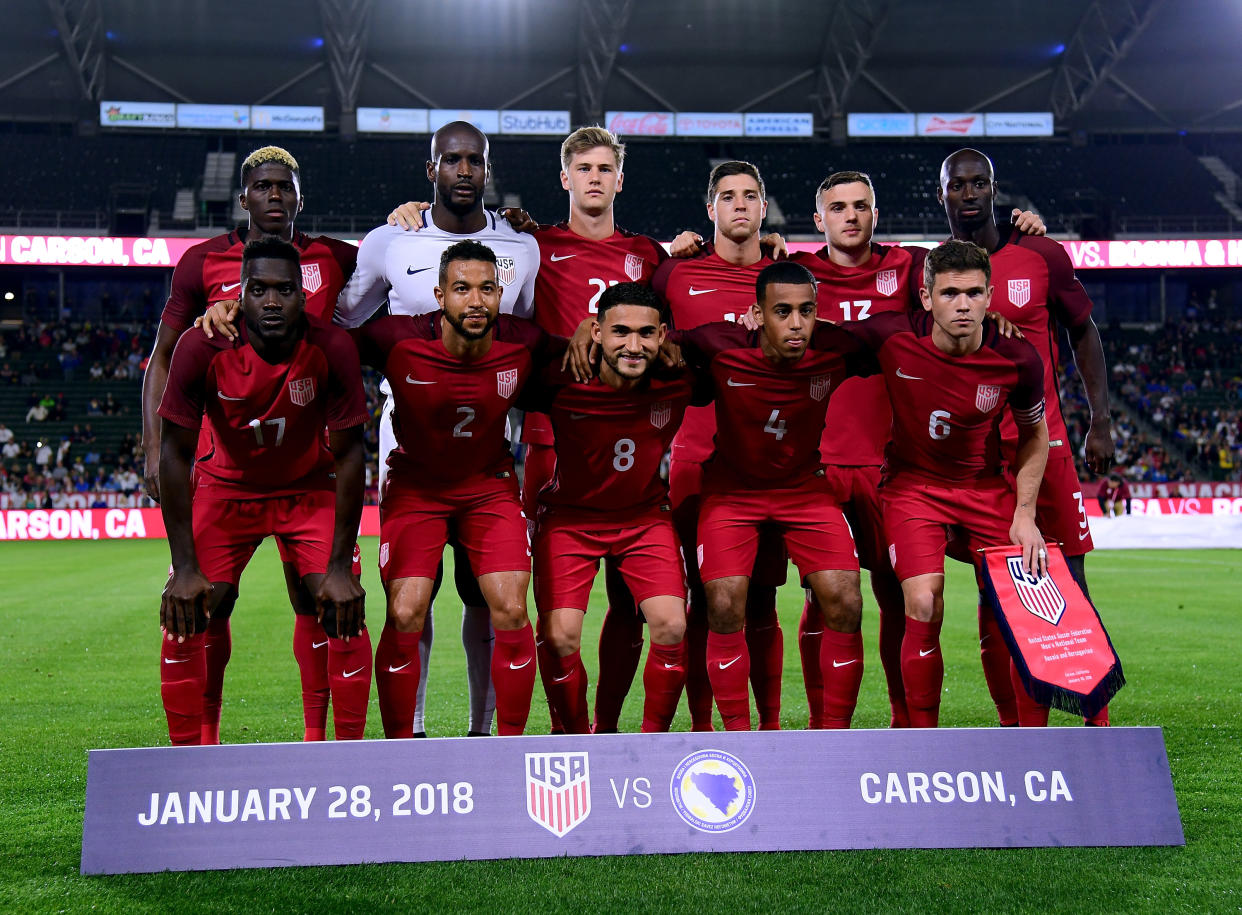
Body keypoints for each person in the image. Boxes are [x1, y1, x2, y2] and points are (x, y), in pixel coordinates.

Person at [141, 145, 359, 744]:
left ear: (298, 197)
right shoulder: (200, 262)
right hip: (224, 464)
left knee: (320, 601)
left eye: (285, 188)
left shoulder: (338, 258)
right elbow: (163, 356)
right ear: (244, 197)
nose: (274, 197)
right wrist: (153, 442)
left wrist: (416, 218)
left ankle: (329, 749)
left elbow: (414, 283)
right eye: (262, 187)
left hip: (305, 467)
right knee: (201, 606)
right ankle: (197, 754)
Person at [337, 121, 540, 737]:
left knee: (491, 599)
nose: (462, 170)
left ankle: (489, 735)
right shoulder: (390, 240)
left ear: (486, 167)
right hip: (410, 448)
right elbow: (343, 319)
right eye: (449, 160)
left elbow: (527, 342)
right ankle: (413, 730)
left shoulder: (521, 245)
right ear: (431, 169)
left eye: (473, 160)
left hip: (488, 453)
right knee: (410, 602)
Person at [932, 148, 1113, 726]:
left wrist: (1101, 420)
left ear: (993, 188)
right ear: (942, 195)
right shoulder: (934, 270)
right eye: (957, 185)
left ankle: (1096, 723)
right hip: (982, 460)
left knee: (1072, 587)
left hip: (1048, 445)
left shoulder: (1040, 253)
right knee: (995, 600)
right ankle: (1017, 730)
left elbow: (1083, 330)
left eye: (978, 182)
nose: (969, 193)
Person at [846, 239, 1050, 728]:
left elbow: (1035, 435)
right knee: (922, 600)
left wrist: (1024, 513)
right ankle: (923, 735)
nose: (963, 305)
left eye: (975, 293)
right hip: (912, 488)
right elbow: (812, 336)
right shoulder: (891, 335)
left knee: (1019, 601)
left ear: (990, 295)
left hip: (983, 488)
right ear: (925, 297)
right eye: (950, 293)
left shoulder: (1017, 358)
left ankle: (1023, 734)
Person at [671, 261, 876, 731]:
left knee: (846, 597)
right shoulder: (720, 346)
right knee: (723, 603)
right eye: (782, 311)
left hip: (804, 490)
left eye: (807, 311)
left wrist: (994, 328)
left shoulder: (835, 349)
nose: (797, 323)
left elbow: (902, 331)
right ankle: (742, 738)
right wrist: (588, 330)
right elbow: (656, 345)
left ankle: (834, 735)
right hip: (731, 493)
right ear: (756, 313)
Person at [526, 283, 702, 733]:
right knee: (560, 635)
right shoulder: (558, 379)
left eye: (646, 334)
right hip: (569, 520)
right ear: (596, 332)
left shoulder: (681, 380)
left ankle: (647, 741)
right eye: (620, 331)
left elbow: (734, 345)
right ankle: (574, 737)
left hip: (643, 518)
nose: (633, 345)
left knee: (671, 625)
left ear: (663, 336)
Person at [650, 160, 788, 731]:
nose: (739, 205)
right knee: (702, 604)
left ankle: (771, 729)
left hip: (768, 467)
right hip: (694, 460)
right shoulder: (677, 276)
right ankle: (705, 730)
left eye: (749, 196)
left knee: (760, 602)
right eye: (727, 196)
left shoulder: (787, 278)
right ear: (710, 211)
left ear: (763, 208)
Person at [788, 171, 916, 728]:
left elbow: (974, 265)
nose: (851, 216)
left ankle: (904, 718)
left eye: (861, 206)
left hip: (889, 467)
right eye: (837, 207)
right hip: (817, 466)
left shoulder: (909, 268)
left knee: (898, 599)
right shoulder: (796, 275)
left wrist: (1017, 227)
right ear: (819, 221)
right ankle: (823, 723)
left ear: (875, 213)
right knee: (824, 599)